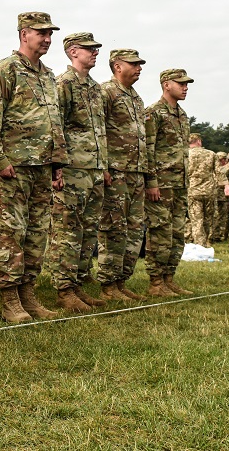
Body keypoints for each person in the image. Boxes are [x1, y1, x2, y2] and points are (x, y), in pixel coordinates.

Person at [0, 12, 67, 323]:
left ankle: (28, 293)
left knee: (37, 235)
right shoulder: (5, 70)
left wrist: (57, 164)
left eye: (50, 33)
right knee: (11, 235)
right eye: (41, 33)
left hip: (41, 169)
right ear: (23, 34)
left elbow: (54, 124)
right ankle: (10, 300)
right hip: (11, 170)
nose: (47, 39)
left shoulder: (47, 75)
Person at [49, 32, 110, 313]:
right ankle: (64, 289)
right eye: (89, 49)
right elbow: (55, 126)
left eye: (96, 48)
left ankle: (78, 284)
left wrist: (104, 166)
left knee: (87, 231)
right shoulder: (63, 84)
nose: (95, 52)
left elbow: (100, 131)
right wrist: (57, 166)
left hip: (93, 169)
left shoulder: (95, 88)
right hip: (72, 169)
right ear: (73, 52)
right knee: (67, 230)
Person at [96, 49, 150, 301]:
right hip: (116, 172)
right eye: (134, 64)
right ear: (118, 66)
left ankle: (121, 280)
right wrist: (104, 166)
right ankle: (108, 284)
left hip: (136, 172)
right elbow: (99, 130)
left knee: (134, 229)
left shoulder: (135, 98)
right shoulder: (106, 91)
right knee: (113, 228)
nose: (139, 67)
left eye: (140, 64)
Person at [144, 68, 195, 296]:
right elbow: (148, 149)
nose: (185, 88)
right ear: (166, 84)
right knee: (160, 232)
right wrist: (151, 182)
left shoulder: (182, 115)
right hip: (161, 183)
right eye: (181, 83)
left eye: (186, 84)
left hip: (179, 183)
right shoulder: (153, 113)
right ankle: (156, 282)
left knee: (177, 232)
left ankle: (169, 277)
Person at [185, 134, 217, 248]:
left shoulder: (185, 154)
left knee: (196, 220)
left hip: (193, 191)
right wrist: (226, 186)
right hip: (209, 191)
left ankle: (200, 245)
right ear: (199, 141)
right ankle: (207, 241)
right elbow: (218, 172)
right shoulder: (211, 154)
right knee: (208, 219)